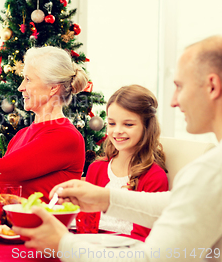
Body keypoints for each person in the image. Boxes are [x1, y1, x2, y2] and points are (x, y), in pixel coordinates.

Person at [13, 35, 222, 261]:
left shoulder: (212, 171)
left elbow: (150, 259)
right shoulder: (211, 169)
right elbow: (179, 204)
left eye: (180, 86)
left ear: (212, 86)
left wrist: (62, 244)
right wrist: (105, 197)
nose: (173, 101)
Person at [0, 46, 88, 202]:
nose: (20, 87)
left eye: (28, 79)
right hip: (12, 223)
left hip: (42, 225)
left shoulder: (66, 136)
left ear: (53, 88)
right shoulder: (21, 135)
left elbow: (5, 169)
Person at [84, 85, 168, 240]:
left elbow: (143, 237)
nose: (117, 131)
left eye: (128, 124)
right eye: (112, 123)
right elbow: (85, 222)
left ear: (147, 127)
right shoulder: (96, 169)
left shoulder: (154, 177)